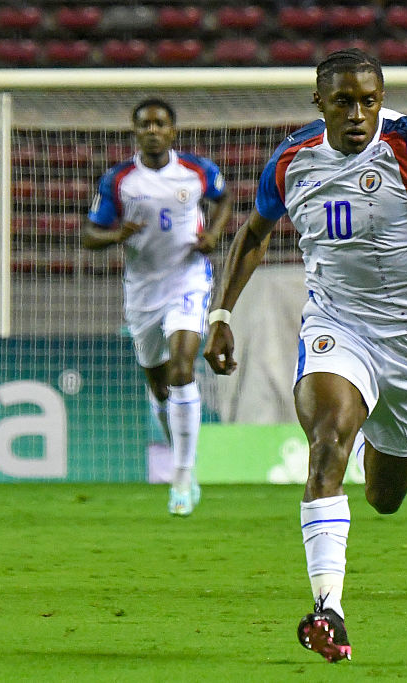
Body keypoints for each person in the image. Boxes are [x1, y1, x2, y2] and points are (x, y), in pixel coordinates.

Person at [202, 49, 407, 663]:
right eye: (343, 102)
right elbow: (253, 233)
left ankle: (367, 434)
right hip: (337, 325)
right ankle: (328, 610)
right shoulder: (292, 160)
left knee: (384, 497)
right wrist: (221, 314)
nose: (358, 114)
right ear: (320, 103)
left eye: (369, 101)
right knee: (326, 444)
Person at [82, 98, 233, 517]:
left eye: (160, 124)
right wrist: (116, 235)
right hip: (143, 291)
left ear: (172, 131)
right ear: (135, 132)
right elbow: (89, 235)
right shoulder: (119, 181)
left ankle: (181, 476)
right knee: (160, 386)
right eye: (145, 125)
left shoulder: (197, 171)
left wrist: (213, 235)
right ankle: (181, 457)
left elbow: (223, 200)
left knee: (183, 369)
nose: (152, 131)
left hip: (188, 279)